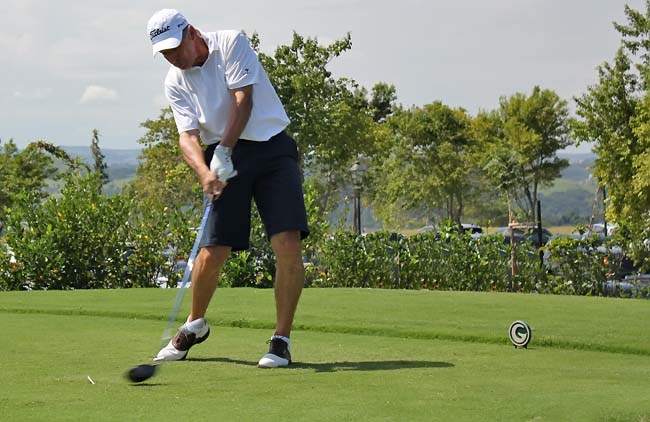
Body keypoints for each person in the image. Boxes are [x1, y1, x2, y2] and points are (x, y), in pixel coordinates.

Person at [146, 9, 309, 368]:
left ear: (192, 33)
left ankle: (280, 341)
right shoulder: (175, 81)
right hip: (221, 156)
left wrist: (225, 149)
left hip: (270, 149)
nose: (173, 58)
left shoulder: (231, 42)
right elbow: (186, 137)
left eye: (176, 48)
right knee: (213, 251)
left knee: (287, 243)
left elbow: (243, 99)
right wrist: (205, 171)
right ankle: (195, 325)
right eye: (165, 53)